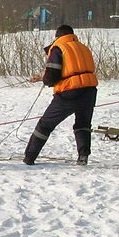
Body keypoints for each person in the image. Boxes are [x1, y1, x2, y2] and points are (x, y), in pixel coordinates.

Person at [23, 25, 98, 166]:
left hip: (69, 93)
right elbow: (75, 70)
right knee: (83, 124)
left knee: (45, 125)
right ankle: (83, 155)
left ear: (58, 36)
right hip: (89, 91)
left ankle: (29, 157)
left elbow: (52, 76)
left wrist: (46, 81)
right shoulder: (83, 48)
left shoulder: (58, 48)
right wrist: (41, 77)